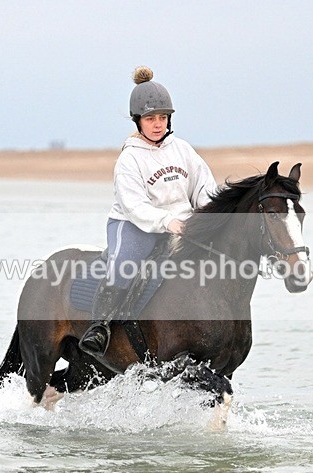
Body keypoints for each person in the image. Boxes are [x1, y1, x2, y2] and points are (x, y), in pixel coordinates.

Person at [78, 66, 219, 359]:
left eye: (163, 118)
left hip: (182, 224)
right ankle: (100, 327)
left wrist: (207, 220)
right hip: (134, 225)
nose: (157, 124)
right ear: (138, 121)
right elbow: (135, 206)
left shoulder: (183, 150)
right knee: (125, 264)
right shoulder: (130, 158)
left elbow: (204, 188)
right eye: (151, 118)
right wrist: (168, 221)